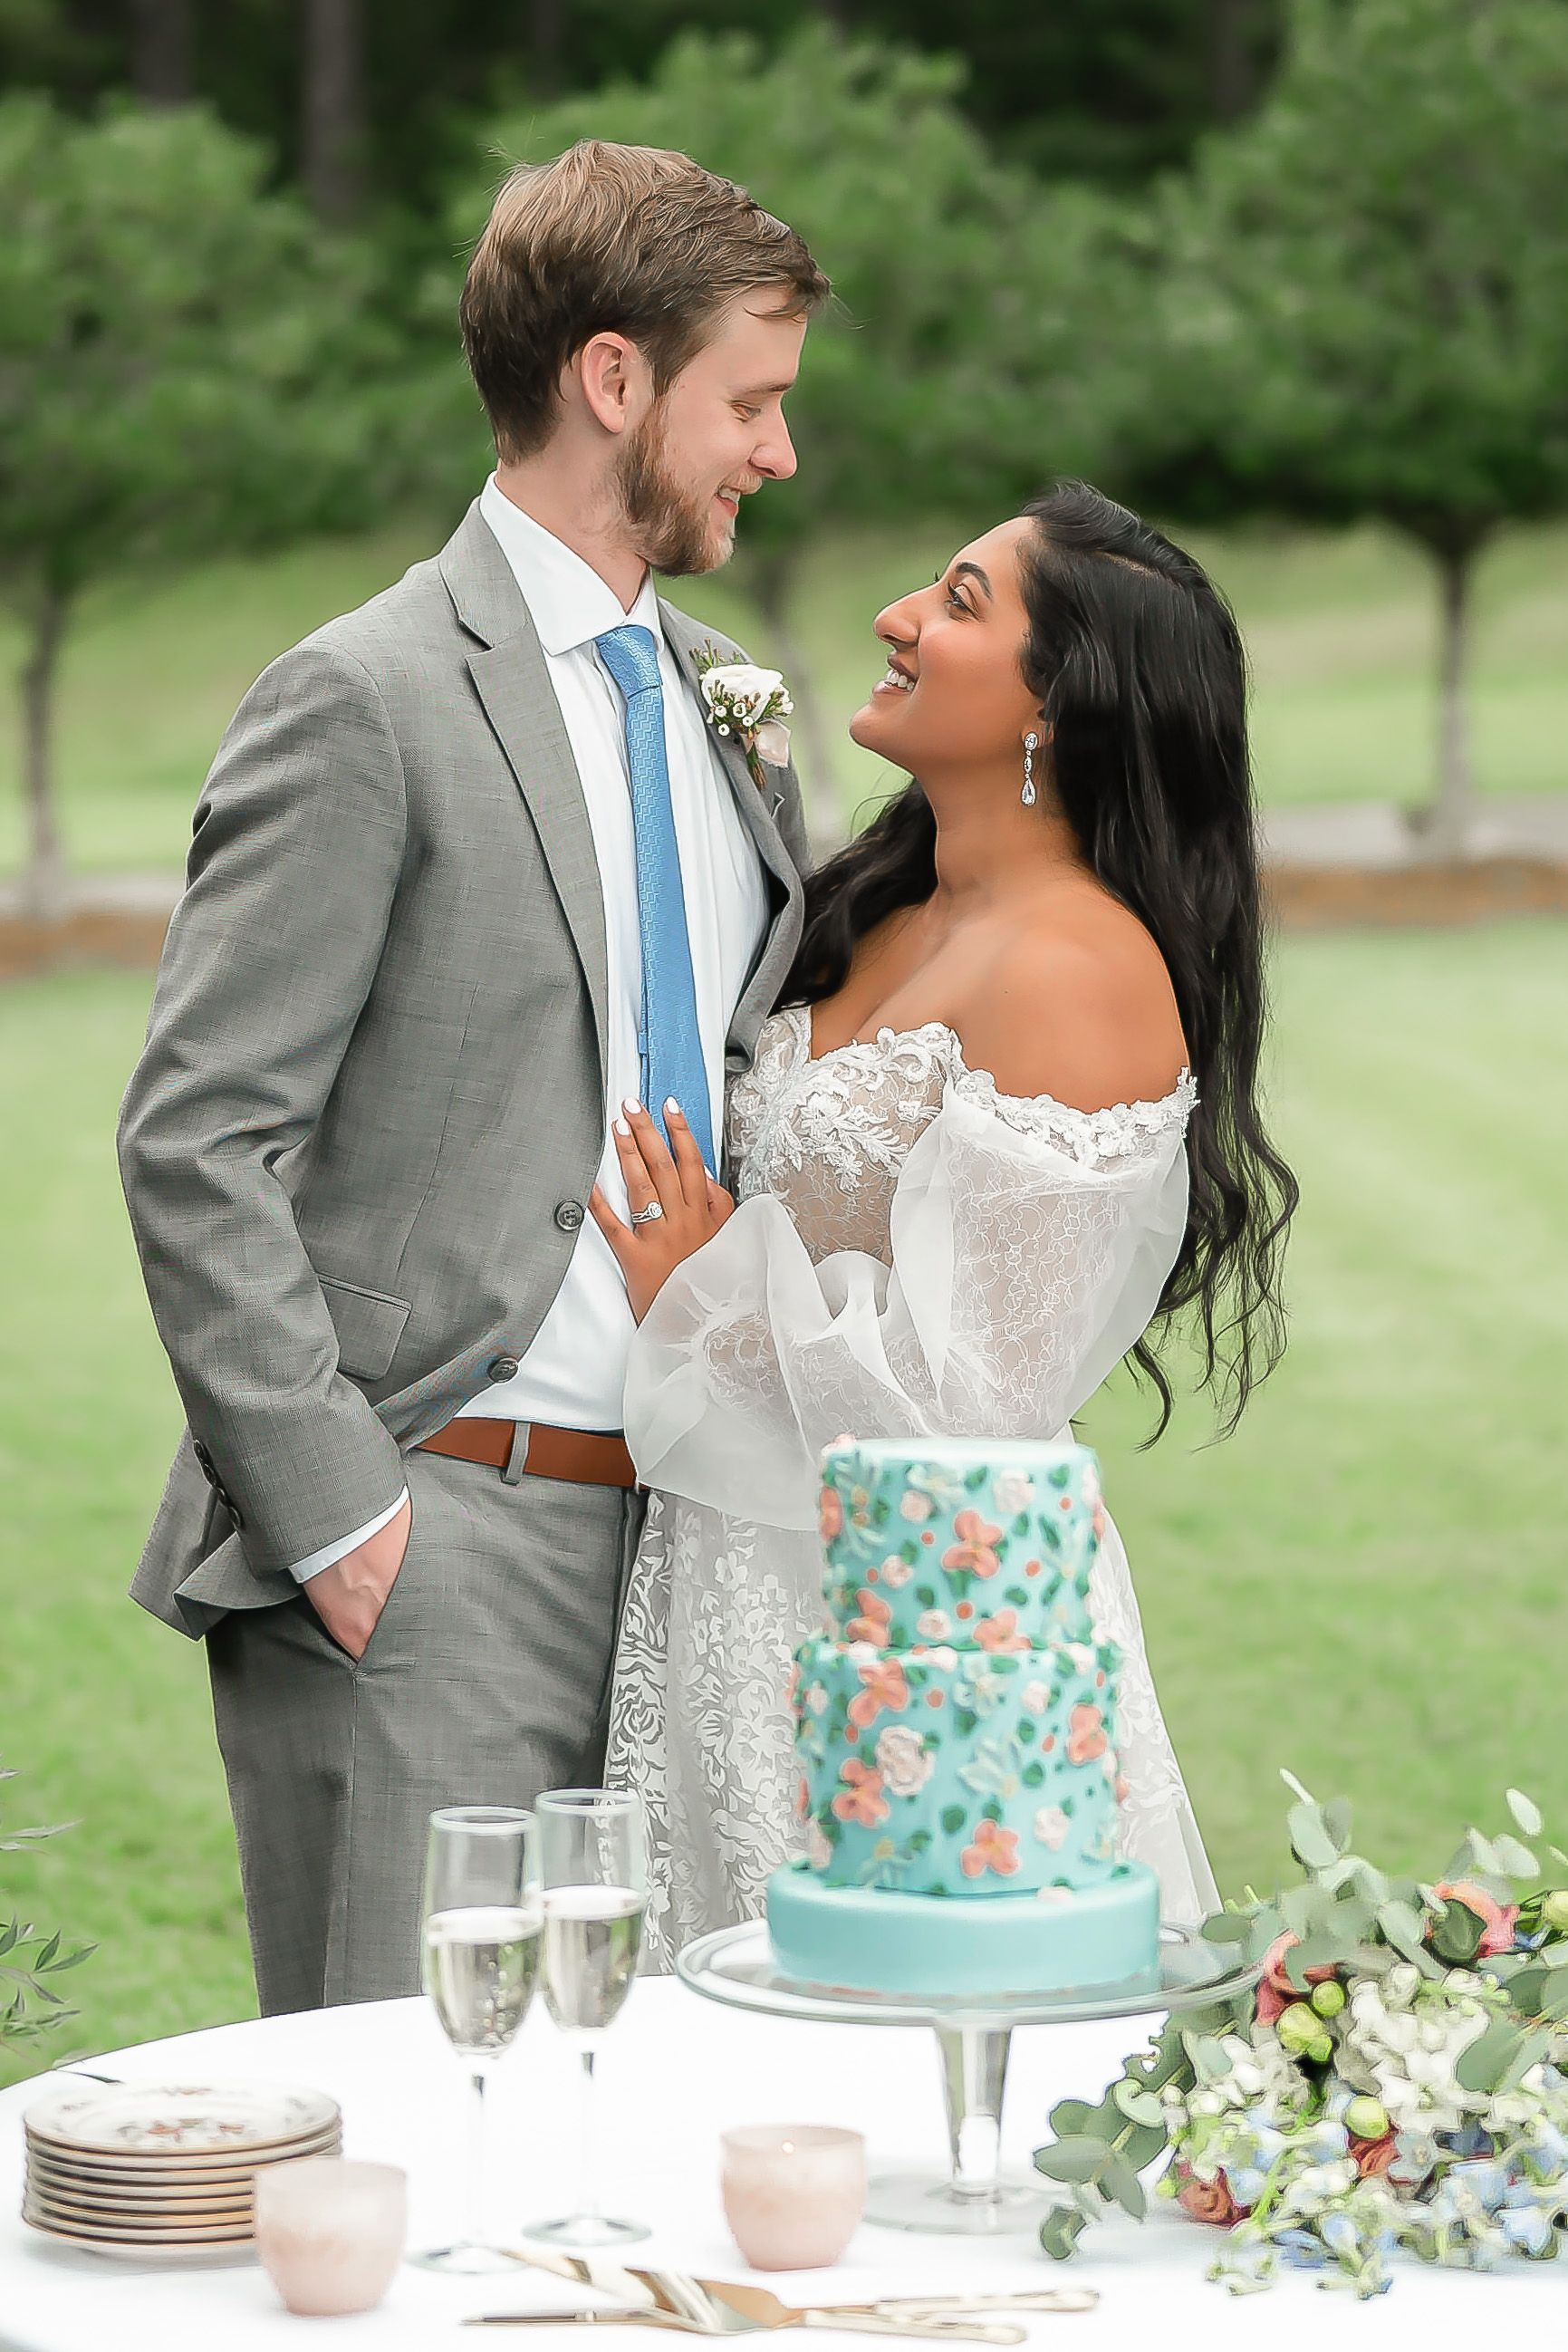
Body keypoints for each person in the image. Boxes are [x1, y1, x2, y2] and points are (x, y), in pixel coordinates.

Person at [116, 140, 827, 2014]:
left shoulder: (727, 703)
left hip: (686, 1552)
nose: (775, 452)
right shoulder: (363, 696)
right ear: (612, 377)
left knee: (629, 2147)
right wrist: (347, 1520)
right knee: (421, 2160)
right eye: (748, 401)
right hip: (435, 1533)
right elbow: (199, 1135)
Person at [596, 482, 1300, 1962]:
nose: (898, 618)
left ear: (1061, 706)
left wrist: (702, 1294)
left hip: (919, 1646)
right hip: (724, 1573)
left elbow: (969, 1420)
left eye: (961, 603)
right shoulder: (880, 902)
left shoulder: (1078, 971)